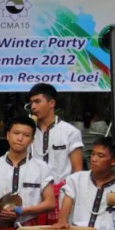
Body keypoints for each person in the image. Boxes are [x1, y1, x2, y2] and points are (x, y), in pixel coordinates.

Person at [27, 84, 83, 222]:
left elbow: (77, 171)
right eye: (31, 103)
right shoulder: (27, 133)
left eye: (37, 101)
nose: (33, 107)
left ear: (51, 103)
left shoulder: (70, 132)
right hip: (34, 195)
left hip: (62, 195)